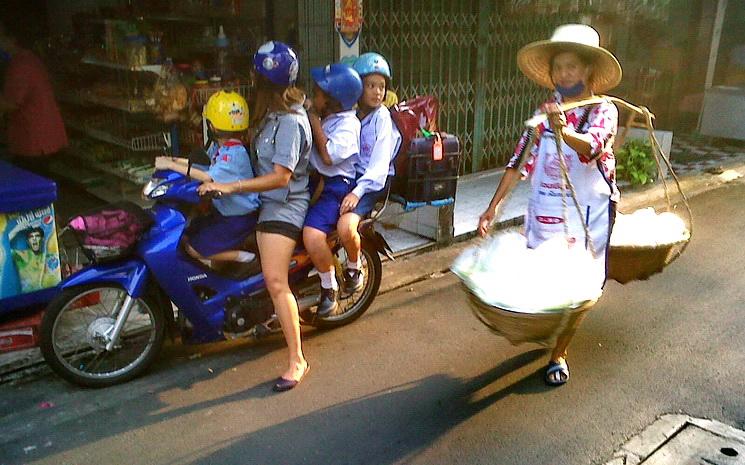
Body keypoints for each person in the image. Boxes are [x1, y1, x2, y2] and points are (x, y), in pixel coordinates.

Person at [477, 24, 622, 386]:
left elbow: (591, 147)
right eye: (558, 68)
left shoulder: (603, 111)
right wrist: (492, 207)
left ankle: (559, 353)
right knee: (545, 282)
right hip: (545, 214)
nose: (563, 74)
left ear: (588, 70)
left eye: (571, 67)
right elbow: (518, 161)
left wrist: (564, 131)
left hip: (588, 217)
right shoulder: (543, 114)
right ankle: (549, 330)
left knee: (575, 287)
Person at [198, 41, 312, 392]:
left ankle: (297, 360)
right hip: (260, 198)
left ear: (263, 81)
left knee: (276, 281)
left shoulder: (291, 121)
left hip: (282, 203)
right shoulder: (267, 113)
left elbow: (281, 177)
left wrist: (233, 188)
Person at [155, 90, 260, 267]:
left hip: (238, 219)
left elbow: (207, 176)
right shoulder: (223, 147)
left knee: (195, 249)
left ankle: (245, 257)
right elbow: (200, 163)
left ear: (212, 126)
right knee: (189, 232)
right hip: (225, 213)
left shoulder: (233, 154)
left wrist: (171, 165)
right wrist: (172, 160)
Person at [337, 52, 401, 294]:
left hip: (371, 183)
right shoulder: (352, 114)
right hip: (351, 178)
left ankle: (354, 270)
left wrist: (358, 192)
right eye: (371, 85)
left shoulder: (382, 118)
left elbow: (378, 166)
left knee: (345, 227)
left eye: (382, 86)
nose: (377, 92)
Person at [303, 63, 363, 316]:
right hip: (314, 181)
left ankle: (329, 289)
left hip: (336, 186)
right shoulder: (330, 117)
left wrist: (313, 119)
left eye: (318, 94)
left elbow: (328, 156)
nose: (314, 97)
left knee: (312, 235)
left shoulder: (349, 125)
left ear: (334, 101)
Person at [0, 22, 68, 176]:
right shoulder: (29, 59)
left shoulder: (20, 65)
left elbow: (10, 103)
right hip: (40, 135)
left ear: (11, 39)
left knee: (32, 181)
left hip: (33, 139)